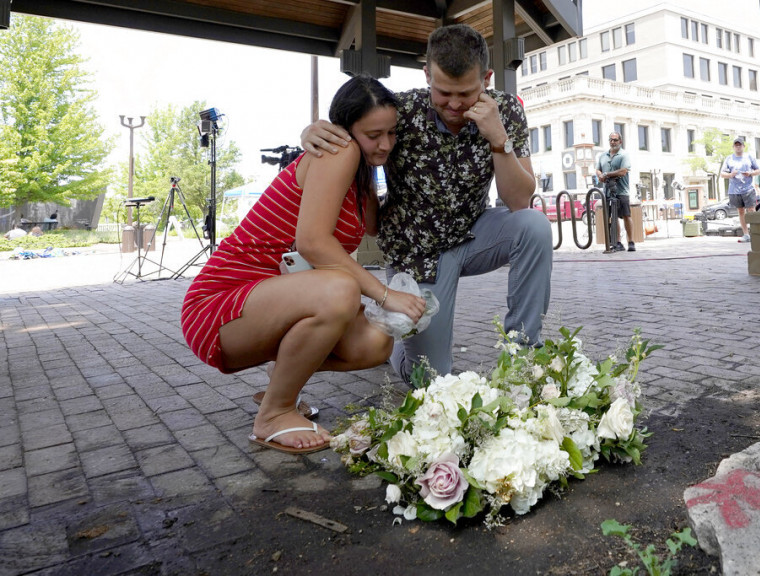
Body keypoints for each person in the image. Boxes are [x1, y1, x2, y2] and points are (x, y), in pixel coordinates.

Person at [180, 76, 427, 454]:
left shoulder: (362, 176)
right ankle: (274, 414)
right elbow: (313, 243)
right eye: (374, 134)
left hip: (271, 301)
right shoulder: (339, 151)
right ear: (344, 130)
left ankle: (280, 382)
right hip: (219, 305)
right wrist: (384, 294)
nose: (386, 144)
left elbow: (377, 226)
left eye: (392, 133)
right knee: (339, 290)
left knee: (376, 342)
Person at [301, 24, 552, 385]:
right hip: (416, 251)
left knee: (534, 226)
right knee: (430, 379)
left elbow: (518, 200)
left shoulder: (506, 111)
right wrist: (310, 131)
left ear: (486, 78)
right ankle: (397, 347)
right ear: (426, 75)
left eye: (465, 93)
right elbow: (354, 127)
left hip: (474, 234)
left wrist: (498, 139)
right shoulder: (400, 112)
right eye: (442, 91)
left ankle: (525, 354)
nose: (453, 104)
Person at [595, 132, 635, 252]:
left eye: (615, 140)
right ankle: (617, 242)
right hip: (607, 191)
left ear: (620, 141)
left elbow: (623, 171)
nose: (613, 142)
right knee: (613, 217)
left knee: (626, 215)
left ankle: (631, 242)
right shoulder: (603, 156)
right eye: (611, 140)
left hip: (621, 191)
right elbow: (598, 169)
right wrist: (600, 175)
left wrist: (607, 174)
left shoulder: (624, 155)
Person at [720, 136, 760, 243]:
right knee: (740, 211)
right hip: (734, 190)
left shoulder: (749, 157)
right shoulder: (729, 158)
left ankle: (755, 233)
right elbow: (722, 174)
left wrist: (750, 173)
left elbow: (758, 170)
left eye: (740, 145)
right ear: (733, 147)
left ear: (743, 146)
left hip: (748, 189)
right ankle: (746, 234)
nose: (738, 147)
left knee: (751, 210)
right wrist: (730, 174)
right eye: (736, 145)